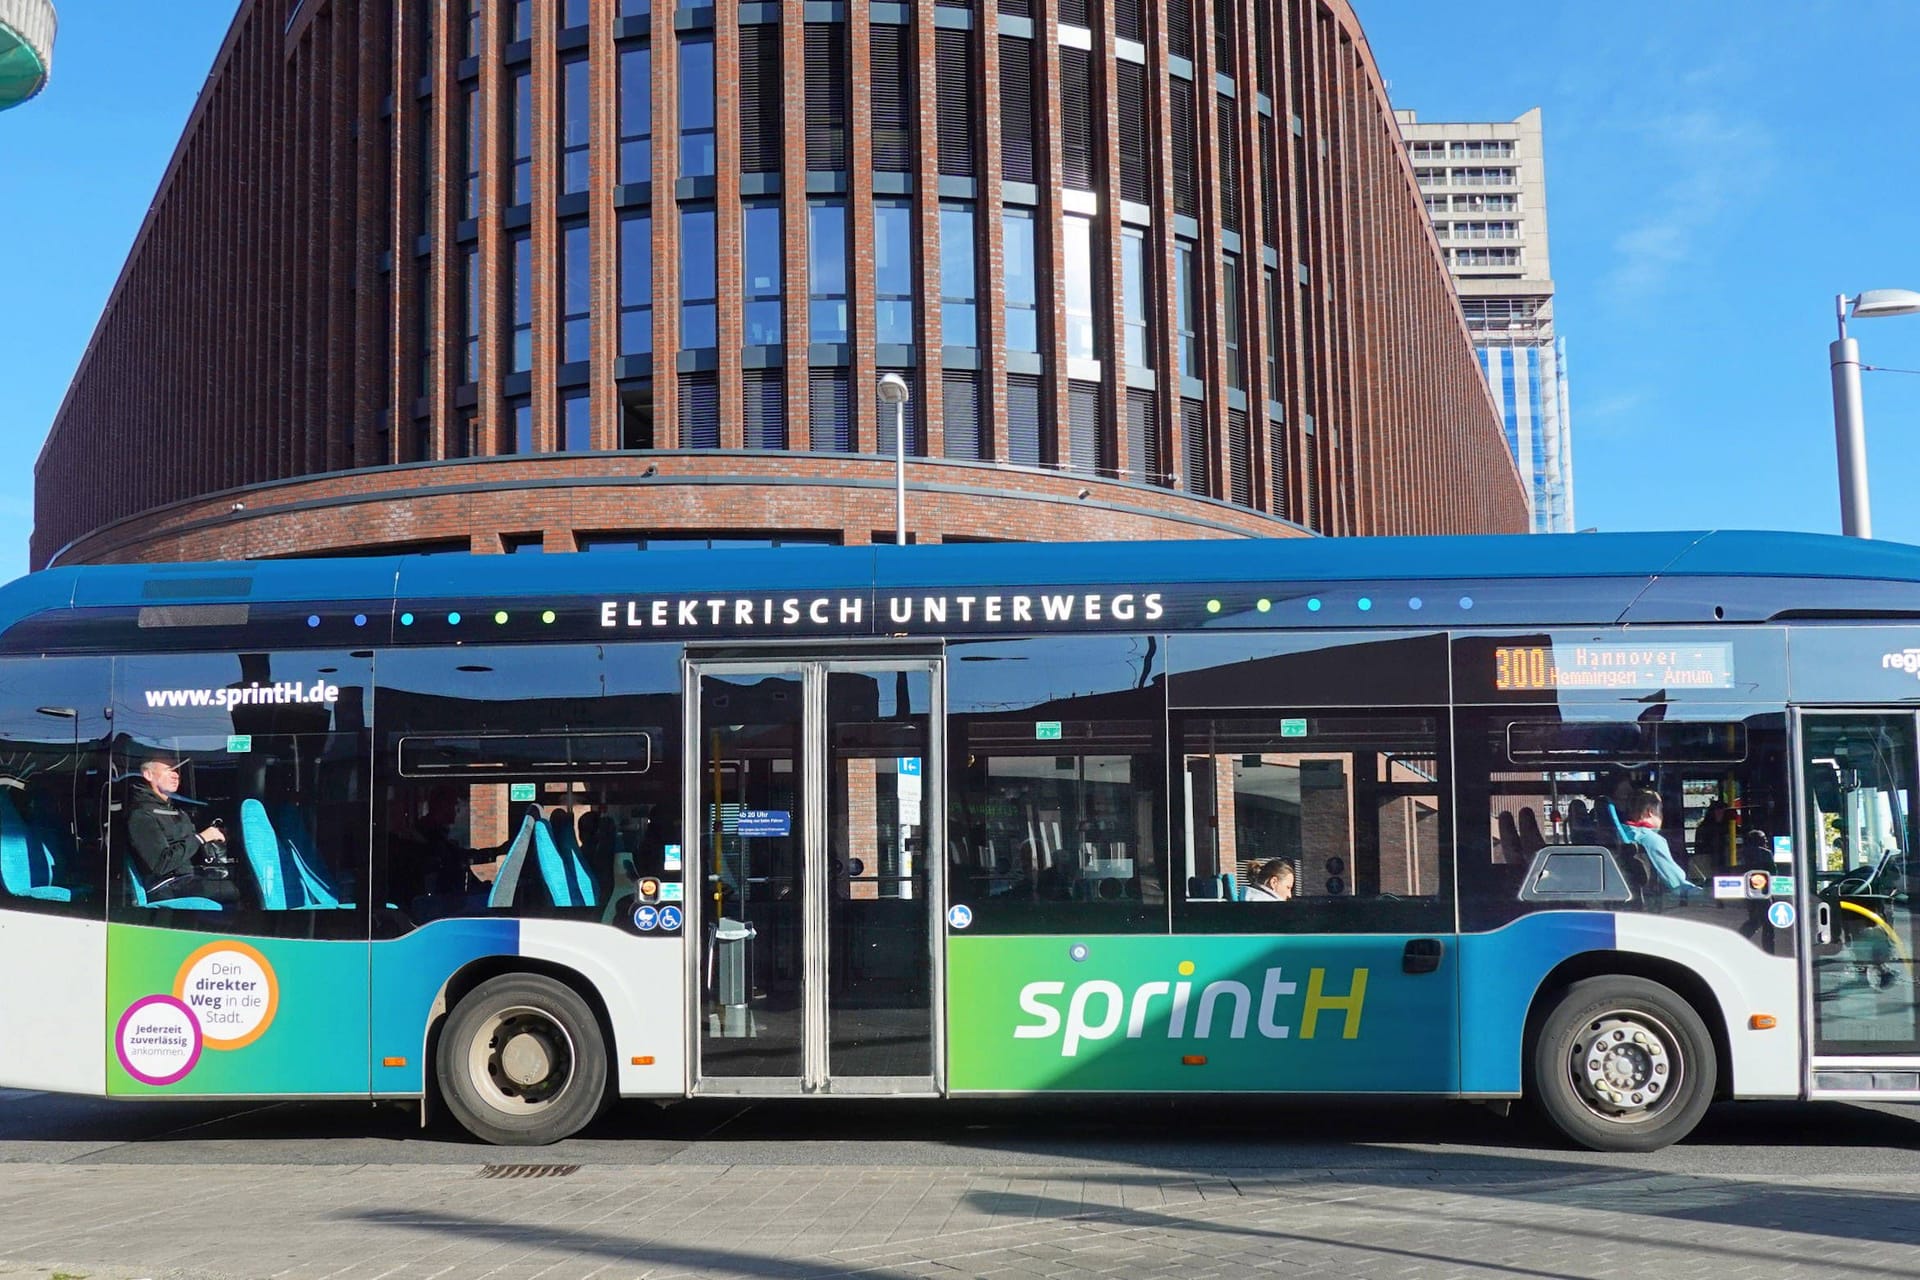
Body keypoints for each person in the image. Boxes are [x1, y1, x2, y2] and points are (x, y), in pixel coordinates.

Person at [124, 753, 241, 907]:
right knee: (234, 890)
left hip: (186, 879)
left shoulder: (176, 812)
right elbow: (161, 864)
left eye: (177, 771)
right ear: (148, 774)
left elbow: (189, 847)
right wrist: (201, 838)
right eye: (169, 770)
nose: (176, 775)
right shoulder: (141, 815)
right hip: (165, 886)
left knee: (238, 879)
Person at [1621, 789, 1697, 897]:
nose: (1662, 816)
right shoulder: (1651, 838)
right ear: (1650, 811)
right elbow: (1676, 882)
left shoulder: (1624, 831)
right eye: (1660, 810)